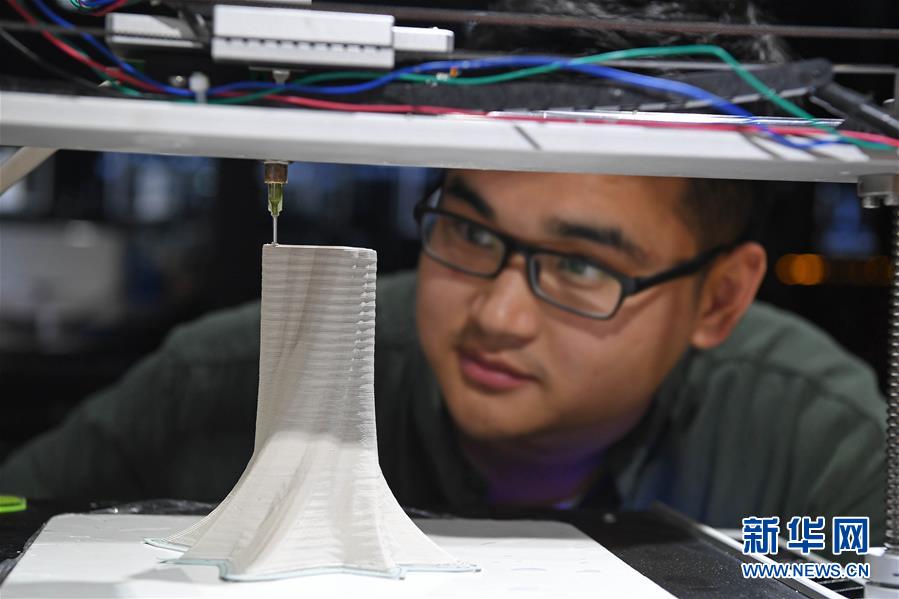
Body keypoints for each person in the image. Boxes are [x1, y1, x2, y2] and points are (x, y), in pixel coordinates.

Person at [0, 0, 886, 549]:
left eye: (579, 265)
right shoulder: (217, 385)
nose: (496, 314)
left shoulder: (816, 443)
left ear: (719, 297)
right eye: (467, 230)